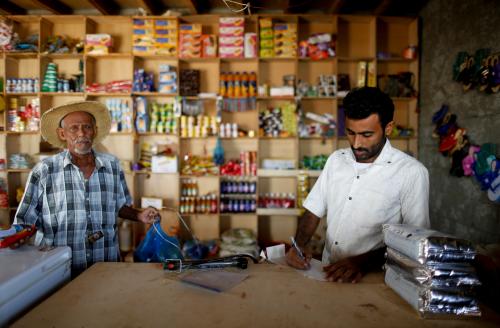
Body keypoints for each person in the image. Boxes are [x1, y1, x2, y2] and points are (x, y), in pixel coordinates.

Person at [286, 87, 430, 283]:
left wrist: (362, 263)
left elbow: (415, 240)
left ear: (388, 128)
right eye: (350, 133)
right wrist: (299, 245)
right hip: (329, 272)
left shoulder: (411, 172)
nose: (356, 143)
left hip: (375, 278)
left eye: (367, 134)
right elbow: (313, 210)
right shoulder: (337, 160)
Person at [14, 101, 159, 277]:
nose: (81, 133)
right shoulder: (45, 170)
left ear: (95, 131)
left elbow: (120, 206)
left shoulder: (112, 166)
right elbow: (24, 219)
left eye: (87, 127)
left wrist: (139, 215)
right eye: (74, 128)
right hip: (60, 268)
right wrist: (18, 241)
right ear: (62, 133)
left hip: (105, 263)